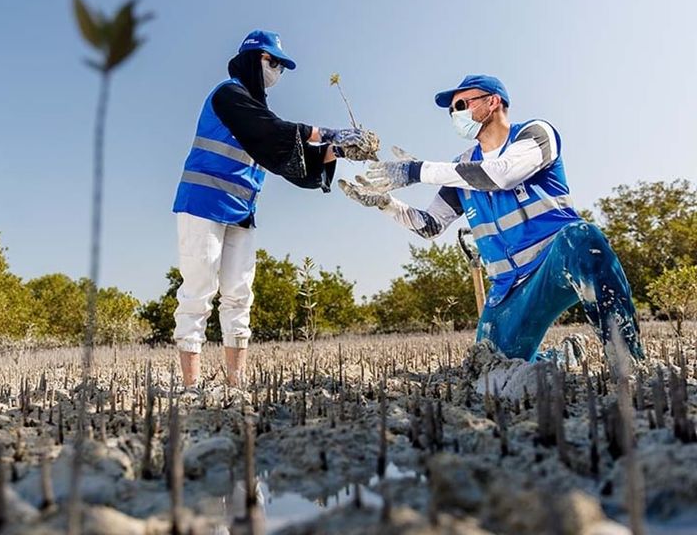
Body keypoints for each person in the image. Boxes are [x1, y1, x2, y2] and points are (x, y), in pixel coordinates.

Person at [341, 74, 643, 364]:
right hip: (507, 288)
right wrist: (385, 204)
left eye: (461, 105)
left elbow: (503, 174)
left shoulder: (535, 134)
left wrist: (417, 170)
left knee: (582, 237)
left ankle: (628, 362)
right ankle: (561, 359)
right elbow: (430, 225)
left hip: (556, 261)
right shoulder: (461, 168)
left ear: (493, 102)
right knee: (493, 366)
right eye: (451, 111)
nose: (455, 115)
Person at [172, 29, 372, 388]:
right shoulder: (229, 95)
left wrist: (340, 149)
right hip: (202, 203)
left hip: (241, 211)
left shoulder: (258, 112)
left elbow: (291, 157)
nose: (277, 71)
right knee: (198, 291)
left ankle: (236, 382)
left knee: (238, 293)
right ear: (253, 59)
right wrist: (330, 131)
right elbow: (273, 131)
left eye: (281, 66)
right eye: (273, 62)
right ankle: (191, 387)